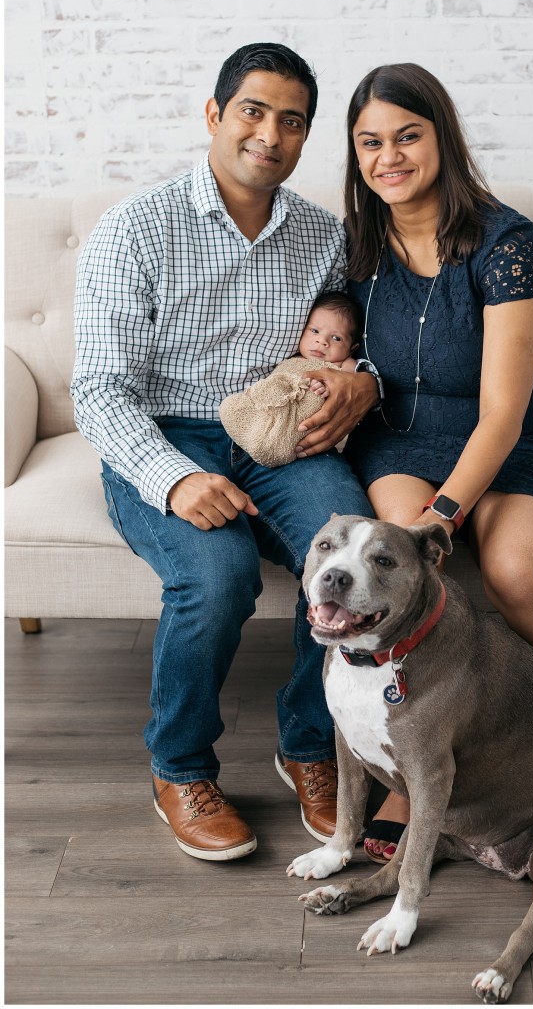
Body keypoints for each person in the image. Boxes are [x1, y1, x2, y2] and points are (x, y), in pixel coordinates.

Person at [294, 62, 533, 866]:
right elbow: (347, 350)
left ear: (442, 138)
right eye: (369, 143)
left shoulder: (507, 244)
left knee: (514, 571)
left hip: (521, 443)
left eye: (406, 136)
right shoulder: (359, 245)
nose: (387, 157)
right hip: (404, 439)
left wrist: (446, 514)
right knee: (397, 566)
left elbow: (503, 410)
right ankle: (408, 767)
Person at [71, 43, 380, 862]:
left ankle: (311, 745)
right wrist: (173, 479)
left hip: (281, 435)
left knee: (352, 553)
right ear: (214, 116)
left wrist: (365, 384)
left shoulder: (323, 237)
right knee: (218, 575)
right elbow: (100, 390)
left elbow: (359, 341)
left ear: (306, 137)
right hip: (165, 435)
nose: (269, 134)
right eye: (252, 110)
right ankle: (179, 768)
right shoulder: (134, 228)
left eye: (292, 120)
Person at [218, 291, 362, 466]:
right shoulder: (294, 356)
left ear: (352, 348)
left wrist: (329, 387)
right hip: (271, 411)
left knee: (311, 398)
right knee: (230, 406)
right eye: (315, 331)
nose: (322, 341)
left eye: (336, 338)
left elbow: (351, 387)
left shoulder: (343, 364)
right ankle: (260, 438)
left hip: (298, 424)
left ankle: (273, 446)